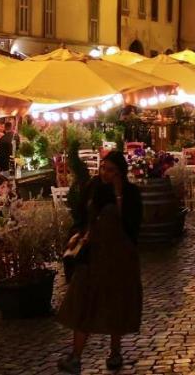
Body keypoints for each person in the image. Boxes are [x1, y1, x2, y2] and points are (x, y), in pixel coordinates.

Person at [56, 151, 143, 373]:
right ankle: (75, 357)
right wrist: (77, 233)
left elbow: (131, 224)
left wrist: (118, 194)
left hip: (118, 257)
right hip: (91, 254)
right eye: (103, 168)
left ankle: (115, 352)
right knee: (83, 303)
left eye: (111, 169)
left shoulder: (131, 192)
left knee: (116, 303)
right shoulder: (93, 188)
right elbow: (81, 218)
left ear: (120, 172)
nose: (105, 173)